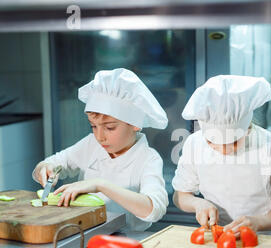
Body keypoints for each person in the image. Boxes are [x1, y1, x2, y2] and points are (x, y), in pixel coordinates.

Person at [32, 68, 169, 231]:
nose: (99, 136)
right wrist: (46, 168)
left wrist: (101, 185)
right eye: (93, 126)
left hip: (127, 242)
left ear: (135, 124)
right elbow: (53, 163)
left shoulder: (148, 159)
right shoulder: (91, 144)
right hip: (83, 233)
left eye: (110, 128)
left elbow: (153, 210)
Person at [172, 75, 271, 236]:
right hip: (215, 236)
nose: (223, 150)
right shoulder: (194, 144)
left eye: (234, 142)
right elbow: (180, 195)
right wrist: (197, 203)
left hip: (260, 240)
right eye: (212, 142)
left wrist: (258, 222)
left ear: (247, 128)